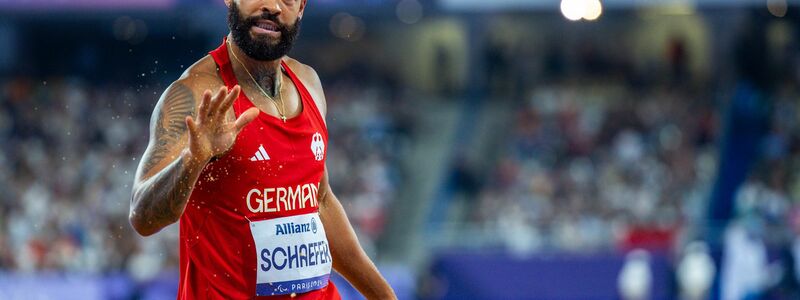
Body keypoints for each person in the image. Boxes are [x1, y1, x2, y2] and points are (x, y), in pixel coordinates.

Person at [128, 0, 396, 299]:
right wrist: (194, 159)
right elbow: (142, 217)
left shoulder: (308, 82)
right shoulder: (196, 93)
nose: (272, 6)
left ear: (302, 7)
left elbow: (319, 201)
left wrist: (383, 295)